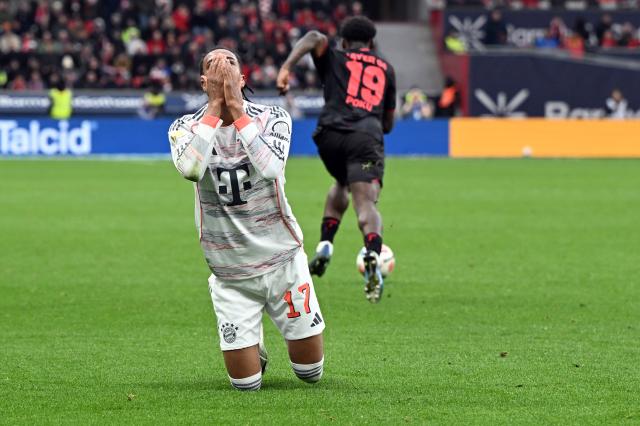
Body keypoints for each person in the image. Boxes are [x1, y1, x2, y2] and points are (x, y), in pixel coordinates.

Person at [167, 48, 325, 391]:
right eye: (212, 64)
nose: (222, 67)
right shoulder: (184, 127)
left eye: (230, 63)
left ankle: (264, 330)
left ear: (242, 79)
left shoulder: (274, 117)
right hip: (230, 272)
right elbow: (191, 170)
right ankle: (255, 342)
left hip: (283, 261)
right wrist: (214, 108)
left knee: (310, 373)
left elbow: (271, 168)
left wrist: (236, 108)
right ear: (204, 82)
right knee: (247, 385)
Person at [276, 16, 396, 303]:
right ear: (371, 42)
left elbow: (315, 37)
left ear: (344, 42)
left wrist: (286, 67)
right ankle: (371, 254)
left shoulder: (334, 56)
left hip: (329, 136)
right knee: (365, 200)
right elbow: (388, 124)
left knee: (342, 181)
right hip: (365, 139)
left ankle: (326, 244)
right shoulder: (387, 69)